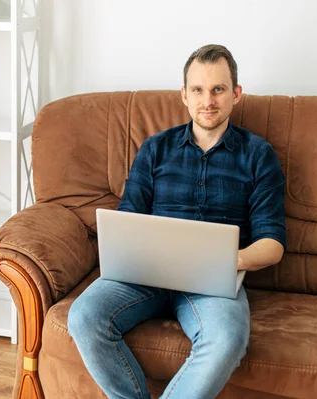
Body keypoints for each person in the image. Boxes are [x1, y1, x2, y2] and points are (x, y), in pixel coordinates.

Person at [67, 44, 287, 399]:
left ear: (236, 94)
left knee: (227, 339)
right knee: (83, 317)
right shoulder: (155, 149)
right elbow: (128, 219)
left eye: (218, 89)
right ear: (184, 96)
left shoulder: (258, 155)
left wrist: (233, 260)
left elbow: (272, 243)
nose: (208, 100)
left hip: (213, 282)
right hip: (143, 274)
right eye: (198, 90)